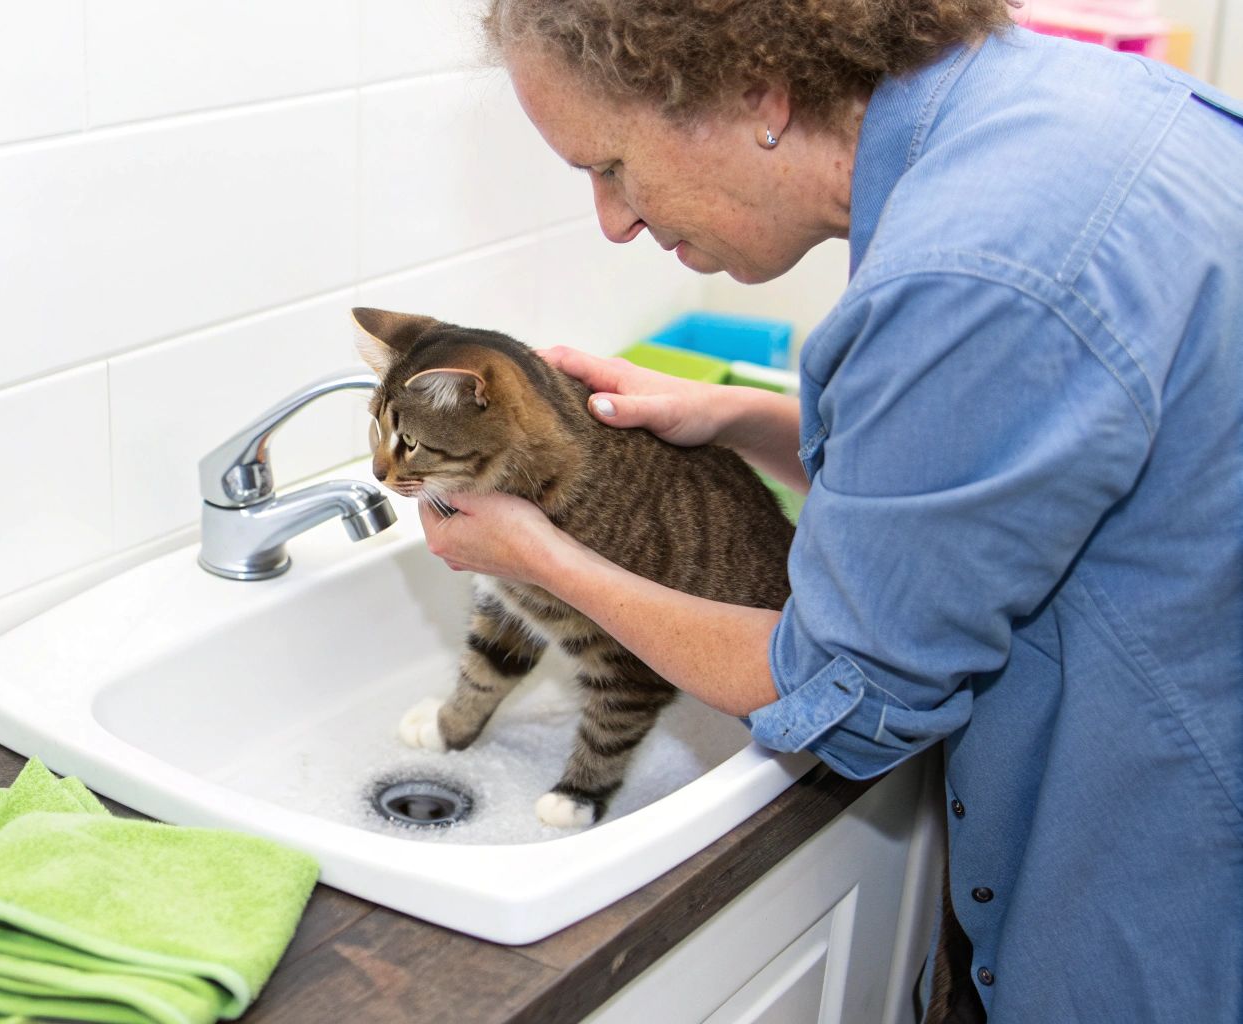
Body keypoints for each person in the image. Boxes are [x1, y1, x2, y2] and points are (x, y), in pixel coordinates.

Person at [420, 2, 1243, 1021]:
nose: (613, 221)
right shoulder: (1068, 116)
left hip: (1166, 897)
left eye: (611, 165)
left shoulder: (971, 269)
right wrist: (730, 416)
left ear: (755, 93)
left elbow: (843, 689)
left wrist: (541, 558)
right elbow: (1000, 464)